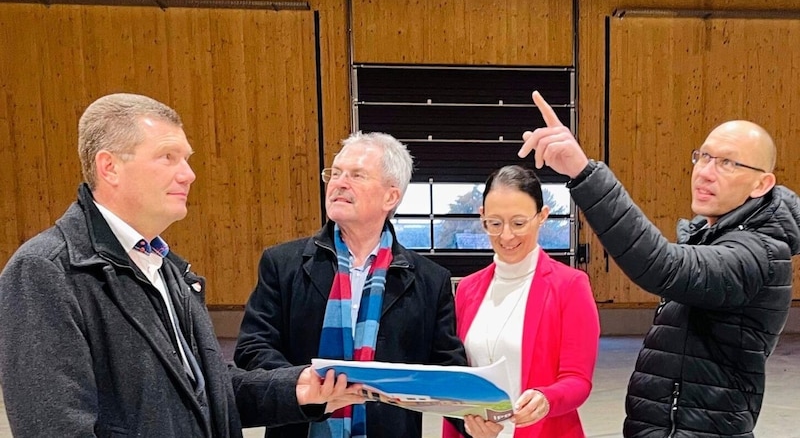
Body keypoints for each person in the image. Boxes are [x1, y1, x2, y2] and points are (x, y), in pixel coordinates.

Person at [0, 93, 362, 438]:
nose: (188, 174)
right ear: (109, 167)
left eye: (186, 158)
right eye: (168, 157)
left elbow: (206, 394)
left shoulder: (165, 268)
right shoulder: (45, 272)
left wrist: (299, 388)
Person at [519, 91, 800, 437]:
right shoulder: (710, 237)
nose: (706, 173)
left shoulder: (760, 253)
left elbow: (663, 265)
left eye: (728, 163)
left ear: (762, 183)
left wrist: (584, 172)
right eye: (704, 157)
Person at [234, 131, 468, 438]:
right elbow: (253, 348)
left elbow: (445, 370)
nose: (339, 183)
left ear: (391, 196)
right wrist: (305, 382)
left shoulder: (430, 279)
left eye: (357, 175)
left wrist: (473, 419)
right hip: (300, 427)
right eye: (335, 173)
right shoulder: (283, 263)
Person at [442, 165, 600, 438]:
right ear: (482, 218)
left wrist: (547, 398)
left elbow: (578, 380)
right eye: (495, 223)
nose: (506, 236)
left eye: (518, 223)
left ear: (542, 217)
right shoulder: (467, 289)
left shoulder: (570, 285)